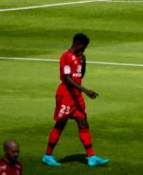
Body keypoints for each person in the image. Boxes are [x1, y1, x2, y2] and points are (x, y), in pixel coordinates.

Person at [42, 33, 109, 167]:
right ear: (78, 44)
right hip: (66, 95)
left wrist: (84, 63)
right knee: (61, 124)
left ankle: (91, 157)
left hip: (77, 96)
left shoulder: (78, 57)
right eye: (84, 47)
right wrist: (86, 90)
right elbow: (67, 79)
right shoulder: (66, 57)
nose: (84, 50)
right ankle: (47, 156)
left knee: (84, 123)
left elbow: (80, 75)